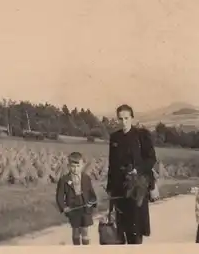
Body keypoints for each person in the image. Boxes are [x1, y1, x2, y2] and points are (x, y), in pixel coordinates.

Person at [106, 104, 157, 244]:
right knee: (120, 230)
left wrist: (138, 170)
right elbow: (112, 164)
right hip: (119, 188)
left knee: (135, 230)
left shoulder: (141, 136)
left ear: (132, 118)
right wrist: (110, 187)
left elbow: (151, 159)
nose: (124, 122)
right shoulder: (114, 138)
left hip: (137, 187)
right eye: (120, 119)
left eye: (126, 118)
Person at [56, 151, 97, 245]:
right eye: (73, 166)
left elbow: (92, 194)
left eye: (78, 166)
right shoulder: (64, 180)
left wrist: (92, 202)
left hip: (85, 207)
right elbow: (59, 196)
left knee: (85, 230)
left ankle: (85, 251)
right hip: (73, 208)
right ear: (68, 166)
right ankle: (76, 249)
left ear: (82, 165)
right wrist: (64, 207)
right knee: (75, 230)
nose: (75, 169)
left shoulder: (86, 178)